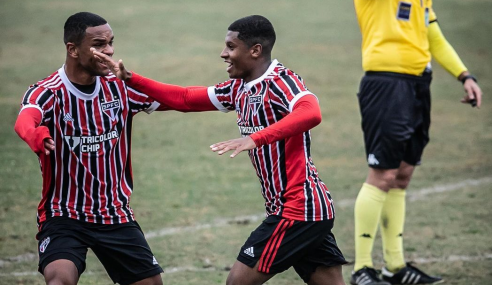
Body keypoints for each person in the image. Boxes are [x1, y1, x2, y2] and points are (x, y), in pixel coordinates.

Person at [93, 15, 347, 285]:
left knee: (237, 282)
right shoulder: (239, 88)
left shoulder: (281, 82)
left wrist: (256, 138)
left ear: (255, 50)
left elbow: (312, 112)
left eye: (231, 47)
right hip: (306, 210)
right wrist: (130, 78)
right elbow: (185, 98)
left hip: (297, 210)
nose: (223, 53)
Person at [14, 12, 165, 285]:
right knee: (60, 279)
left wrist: (229, 94)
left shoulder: (121, 88)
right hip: (64, 215)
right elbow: (26, 119)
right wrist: (35, 136)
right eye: (99, 44)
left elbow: (182, 98)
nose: (109, 51)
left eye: (110, 42)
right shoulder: (48, 92)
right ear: (72, 49)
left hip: (114, 213)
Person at [350, 1, 483, 284]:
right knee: (382, 174)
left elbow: (432, 34)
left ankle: (395, 267)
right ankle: (361, 269)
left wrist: (464, 75)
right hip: (386, 84)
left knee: (402, 175)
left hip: (419, 84)